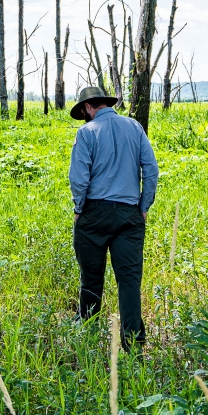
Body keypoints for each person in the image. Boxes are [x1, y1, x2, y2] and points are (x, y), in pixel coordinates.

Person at [68, 85, 159, 347]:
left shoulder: (86, 132)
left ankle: (86, 334)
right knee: (129, 281)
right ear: (106, 104)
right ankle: (133, 344)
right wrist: (143, 206)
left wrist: (78, 208)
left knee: (91, 277)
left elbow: (79, 177)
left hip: (93, 213)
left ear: (87, 108)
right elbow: (151, 170)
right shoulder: (134, 127)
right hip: (130, 215)